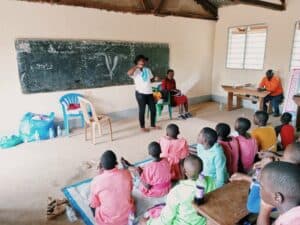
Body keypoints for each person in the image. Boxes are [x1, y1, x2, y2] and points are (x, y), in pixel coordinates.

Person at [141, 155, 215, 225]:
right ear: (202, 169)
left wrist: (148, 223)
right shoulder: (211, 181)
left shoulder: (177, 192)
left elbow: (166, 219)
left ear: (186, 173)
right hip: (201, 222)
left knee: (152, 213)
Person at [230, 142, 300, 214]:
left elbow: (252, 206)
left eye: (283, 158)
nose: (279, 159)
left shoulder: (286, 189)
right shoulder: (293, 173)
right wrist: (273, 155)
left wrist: (262, 170)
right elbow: (290, 160)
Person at [89, 150, 134, 225]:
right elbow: (130, 189)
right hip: (128, 217)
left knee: (91, 202)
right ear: (116, 163)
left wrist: (99, 175)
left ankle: (96, 218)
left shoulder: (96, 181)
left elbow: (94, 204)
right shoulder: (126, 173)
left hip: (108, 221)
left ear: (101, 166)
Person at [127, 55, 160, 132]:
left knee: (153, 110)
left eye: (143, 61)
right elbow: (129, 73)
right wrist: (136, 67)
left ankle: (153, 125)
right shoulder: (135, 71)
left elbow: (150, 80)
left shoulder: (147, 70)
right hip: (140, 94)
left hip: (149, 93)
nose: (142, 62)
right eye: (140, 61)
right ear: (137, 62)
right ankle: (142, 127)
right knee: (142, 110)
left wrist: (155, 79)